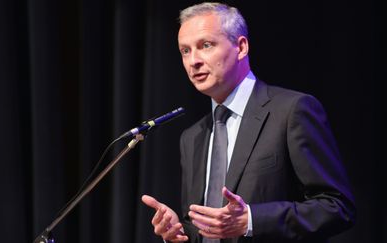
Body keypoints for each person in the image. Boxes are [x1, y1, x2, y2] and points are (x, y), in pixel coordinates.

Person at [141, 2, 356, 243]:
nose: (194, 61)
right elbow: (207, 228)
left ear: (241, 47)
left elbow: (336, 207)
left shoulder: (291, 111)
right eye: (185, 51)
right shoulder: (192, 137)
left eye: (206, 45)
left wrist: (252, 220)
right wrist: (178, 233)